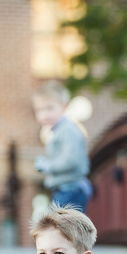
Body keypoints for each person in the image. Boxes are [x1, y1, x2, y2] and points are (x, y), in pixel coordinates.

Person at [32, 81, 92, 213]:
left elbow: (70, 160)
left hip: (70, 190)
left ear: (64, 108)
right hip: (64, 189)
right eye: (39, 110)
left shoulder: (67, 130)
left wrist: (48, 166)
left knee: (64, 225)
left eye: (49, 108)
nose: (44, 114)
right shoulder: (58, 131)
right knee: (60, 224)